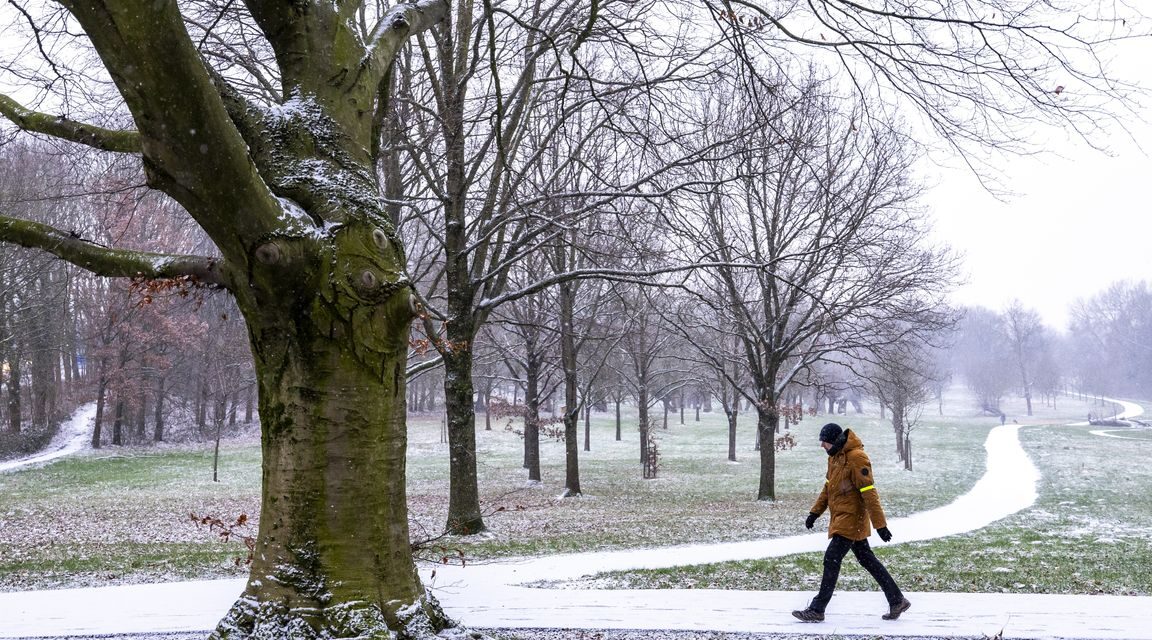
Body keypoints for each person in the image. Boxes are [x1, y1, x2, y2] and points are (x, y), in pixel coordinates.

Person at [792, 422, 911, 623]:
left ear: (835, 441)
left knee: (832, 558)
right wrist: (815, 513)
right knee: (867, 559)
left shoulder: (856, 458)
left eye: (824, 442)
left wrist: (880, 525)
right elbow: (827, 488)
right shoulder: (835, 459)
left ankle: (817, 609)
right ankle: (897, 600)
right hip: (841, 517)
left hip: (852, 519)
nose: (822, 446)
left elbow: (869, 492)